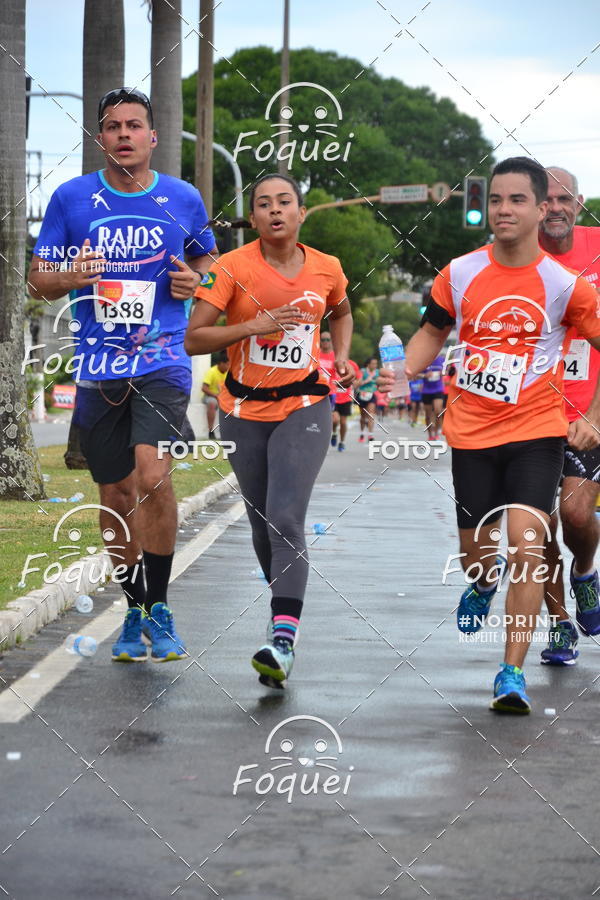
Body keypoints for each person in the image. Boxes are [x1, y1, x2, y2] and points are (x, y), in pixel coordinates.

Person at [382, 157, 600, 714]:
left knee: (529, 542)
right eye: (497, 200)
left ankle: (510, 673)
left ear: (540, 208)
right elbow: (431, 331)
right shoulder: (459, 273)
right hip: (473, 433)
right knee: (480, 555)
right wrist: (402, 370)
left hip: (537, 430)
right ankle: (482, 580)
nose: (504, 209)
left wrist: (593, 416)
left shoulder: (563, 284)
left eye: (517, 200)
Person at [28, 87, 217, 663]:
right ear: (100, 138)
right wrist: (72, 277)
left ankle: (159, 607)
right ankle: (133, 608)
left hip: (160, 362)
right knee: (113, 491)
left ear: (152, 137)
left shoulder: (181, 198)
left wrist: (194, 283)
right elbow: (39, 279)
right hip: (97, 367)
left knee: (152, 477)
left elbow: (206, 261)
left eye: (134, 125)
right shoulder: (72, 199)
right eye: (112, 127)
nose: (124, 135)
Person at [184, 173, 353, 688]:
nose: (276, 210)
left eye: (285, 202)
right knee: (262, 523)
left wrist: (341, 356)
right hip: (242, 408)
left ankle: (283, 640)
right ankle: (280, 613)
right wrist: (252, 327)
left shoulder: (327, 267)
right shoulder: (231, 268)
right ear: (253, 219)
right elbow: (195, 338)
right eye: (264, 204)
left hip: (305, 404)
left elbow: (342, 312)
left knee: (285, 517)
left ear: (301, 213)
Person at [537, 167, 600, 665]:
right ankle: (560, 625)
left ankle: (585, 572)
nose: (555, 207)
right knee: (537, 526)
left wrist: (595, 416)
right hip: (530, 416)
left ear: (579, 204)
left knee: (577, 514)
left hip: (587, 413)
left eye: (565, 199)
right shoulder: (515, 258)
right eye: (547, 198)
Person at [332, 358, 360, 451]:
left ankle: (342, 442)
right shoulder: (333, 361)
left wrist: (352, 383)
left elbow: (358, 379)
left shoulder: (352, 364)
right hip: (334, 396)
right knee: (335, 420)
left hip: (346, 398)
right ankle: (334, 433)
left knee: (343, 422)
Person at [202, 350, 228, 439]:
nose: (228, 367)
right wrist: (216, 396)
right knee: (212, 403)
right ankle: (211, 431)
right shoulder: (212, 371)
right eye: (227, 364)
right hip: (210, 396)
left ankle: (227, 432)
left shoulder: (228, 373)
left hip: (223, 398)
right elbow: (204, 388)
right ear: (221, 363)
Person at [319, 331, 338, 445]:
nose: (325, 342)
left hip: (330, 391)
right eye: (323, 340)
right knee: (319, 417)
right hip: (316, 391)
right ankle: (322, 441)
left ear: (331, 341)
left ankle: (334, 432)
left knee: (333, 419)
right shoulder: (315, 353)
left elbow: (340, 374)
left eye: (328, 340)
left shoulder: (335, 356)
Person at [421, 355, 445, 439]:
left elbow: (447, 371)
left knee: (438, 411)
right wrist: (424, 375)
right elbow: (415, 374)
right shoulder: (423, 359)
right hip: (426, 390)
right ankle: (430, 434)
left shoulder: (442, 359)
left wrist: (442, 373)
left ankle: (436, 432)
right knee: (428, 414)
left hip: (438, 389)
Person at [356, 357, 379, 442]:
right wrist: (366, 380)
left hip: (372, 395)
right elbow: (357, 384)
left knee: (371, 415)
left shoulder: (377, 372)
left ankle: (370, 435)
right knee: (363, 417)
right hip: (362, 395)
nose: (375, 365)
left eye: (376, 364)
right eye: (373, 363)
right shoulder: (362, 371)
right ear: (368, 364)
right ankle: (362, 433)